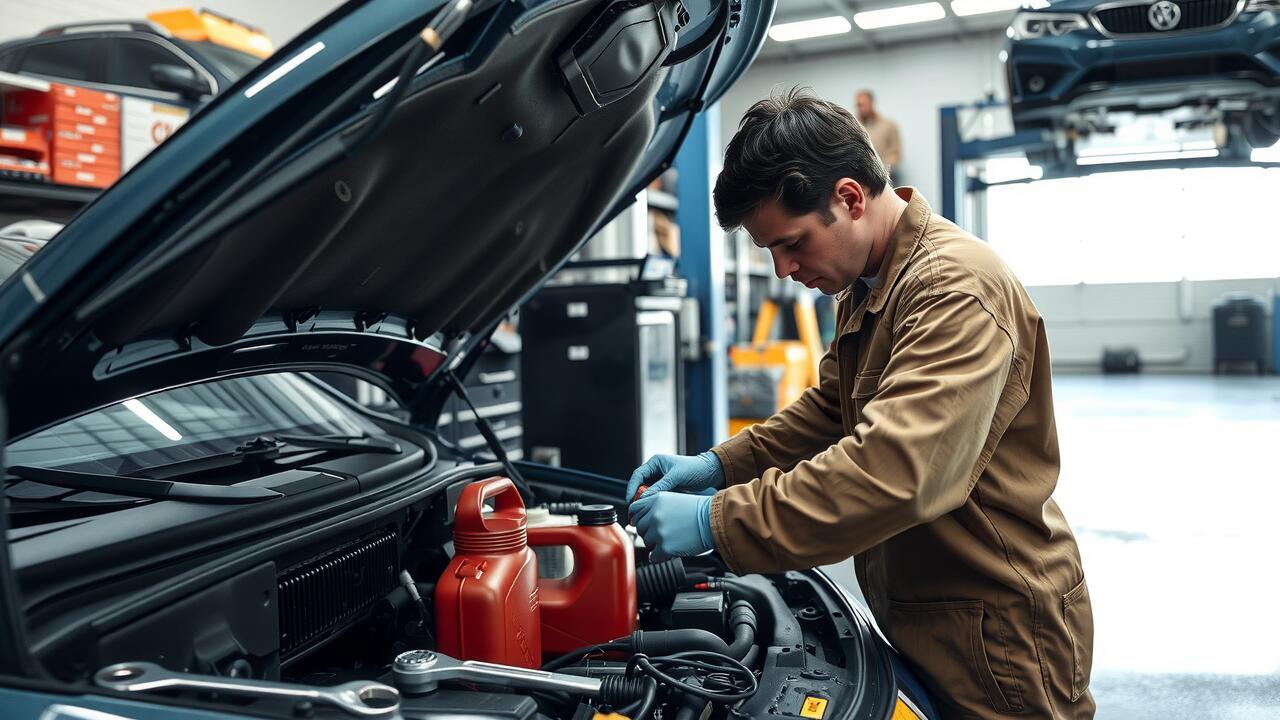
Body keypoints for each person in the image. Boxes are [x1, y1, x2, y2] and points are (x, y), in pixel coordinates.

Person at [626, 88, 1094, 719]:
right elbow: (830, 410)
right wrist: (719, 465)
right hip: (932, 612)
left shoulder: (955, 289)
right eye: (770, 251)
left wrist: (719, 521)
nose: (783, 269)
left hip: (997, 635)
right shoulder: (870, 281)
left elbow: (896, 472)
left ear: (849, 198)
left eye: (792, 243)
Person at [855, 89, 901, 176]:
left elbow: (895, 155)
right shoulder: (854, 127)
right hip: (859, 176)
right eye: (858, 105)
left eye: (863, 105)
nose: (860, 108)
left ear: (871, 103)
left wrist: (881, 169)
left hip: (884, 176)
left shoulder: (888, 126)